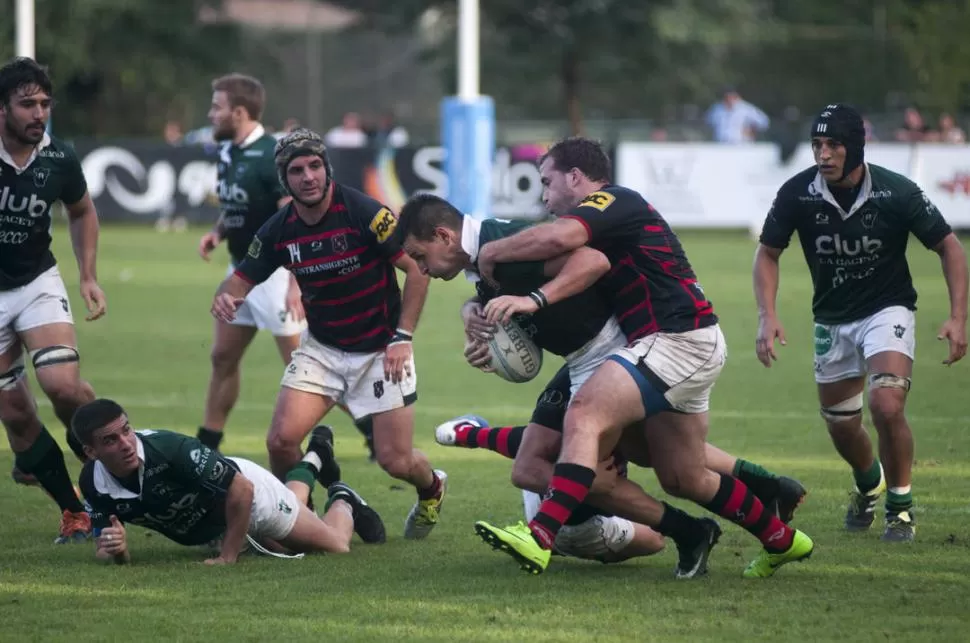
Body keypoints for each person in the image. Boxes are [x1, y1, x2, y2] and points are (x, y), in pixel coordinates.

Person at [395, 193, 802, 576]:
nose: (422, 270)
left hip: (613, 353)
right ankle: (766, 522)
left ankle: (666, 531)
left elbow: (590, 262)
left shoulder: (502, 245)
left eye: (420, 257)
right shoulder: (483, 256)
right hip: (581, 361)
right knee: (666, 464)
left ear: (444, 236)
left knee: (582, 469)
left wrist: (534, 299)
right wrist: (477, 316)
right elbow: (511, 305)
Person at [210, 128, 444, 539]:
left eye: (315, 166)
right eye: (297, 170)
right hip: (323, 349)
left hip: (381, 350)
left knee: (396, 461)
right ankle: (302, 518)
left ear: (327, 168)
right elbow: (240, 281)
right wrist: (226, 298)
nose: (308, 177)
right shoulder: (278, 230)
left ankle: (432, 488)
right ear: (286, 180)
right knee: (281, 441)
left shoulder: (364, 211)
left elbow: (416, 270)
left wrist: (402, 337)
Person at [754, 103, 968, 542]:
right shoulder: (797, 193)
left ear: (855, 148)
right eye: (817, 144)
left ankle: (901, 508)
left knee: (886, 405)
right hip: (831, 320)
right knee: (842, 425)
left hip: (887, 309)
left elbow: (949, 246)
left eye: (833, 145)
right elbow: (768, 253)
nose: (823, 154)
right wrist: (767, 315)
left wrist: (957, 316)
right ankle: (870, 484)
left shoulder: (896, 192)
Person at [196, 73, 376, 459]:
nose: (211, 113)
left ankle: (374, 430)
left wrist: (296, 284)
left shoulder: (270, 155)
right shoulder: (230, 151)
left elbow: (295, 219)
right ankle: (207, 443)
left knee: (313, 371)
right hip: (244, 272)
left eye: (217, 107)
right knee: (222, 356)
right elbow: (239, 206)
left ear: (239, 112)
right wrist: (219, 231)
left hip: (278, 276)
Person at [0, 57, 108, 543]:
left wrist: (87, 276)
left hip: (36, 283)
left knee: (62, 385)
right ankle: (75, 511)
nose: (38, 113)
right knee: (15, 411)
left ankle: (100, 448)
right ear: (1, 110)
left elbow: (82, 211)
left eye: (44, 103)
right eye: (27, 104)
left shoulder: (57, 157)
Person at [73, 399, 385, 565]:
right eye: (110, 440)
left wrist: (228, 556)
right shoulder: (93, 483)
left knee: (335, 547)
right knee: (291, 529)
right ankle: (315, 456)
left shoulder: (170, 450)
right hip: (224, 519)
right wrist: (119, 552)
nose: (126, 443)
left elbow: (241, 488)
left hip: (248, 494)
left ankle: (344, 499)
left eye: (126, 430)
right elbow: (106, 548)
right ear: (90, 452)